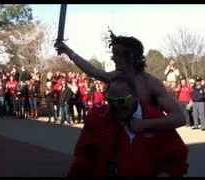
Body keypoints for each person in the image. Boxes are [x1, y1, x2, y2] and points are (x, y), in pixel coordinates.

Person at [54, 33, 185, 132]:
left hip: (144, 148)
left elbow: (179, 118)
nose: (112, 58)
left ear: (132, 56)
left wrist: (145, 125)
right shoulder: (114, 77)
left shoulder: (151, 84)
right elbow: (92, 70)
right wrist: (68, 51)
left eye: (116, 54)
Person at [68, 76, 189, 177]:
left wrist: (167, 173)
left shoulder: (155, 117)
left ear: (134, 96)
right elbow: (82, 157)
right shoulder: (96, 117)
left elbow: (178, 157)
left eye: (121, 100)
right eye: (111, 100)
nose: (115, 106)